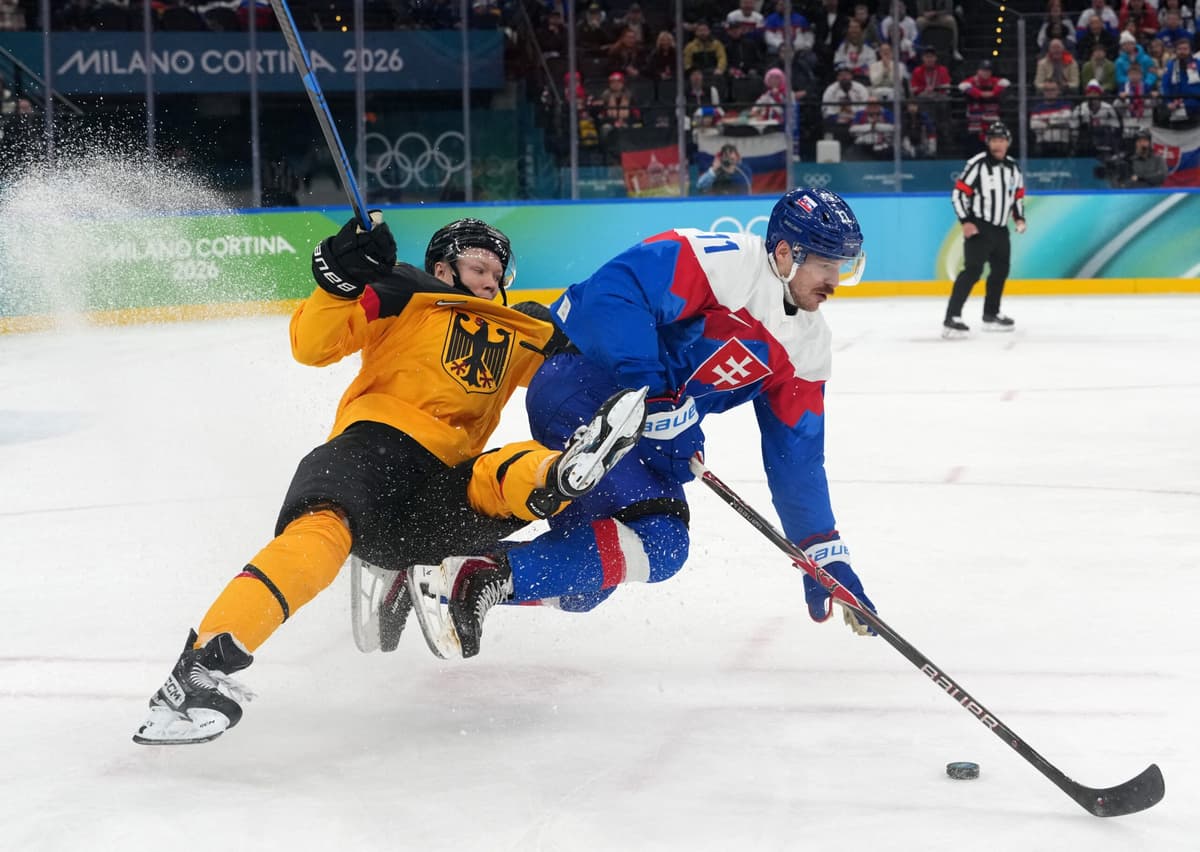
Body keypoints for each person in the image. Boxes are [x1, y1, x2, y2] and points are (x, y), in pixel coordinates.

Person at [132, 215, 647, 743]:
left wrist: (659, 396)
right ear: (443, 268)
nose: (493, 281)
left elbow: (587, 377)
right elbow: (313, 345)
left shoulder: (527, 328)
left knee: (505, 470)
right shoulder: (405, 289)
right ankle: (199, 667)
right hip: (372, 450)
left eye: (500, 272)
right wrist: (339, 282)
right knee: (319, 537)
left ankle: (564, 473)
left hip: (439, 501)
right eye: (479, 267)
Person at [405, 188, 878, 660]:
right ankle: (471, 574)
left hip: (637, 427)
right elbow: (614, 293)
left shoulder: (808, 348)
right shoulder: (724, 262)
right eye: (826, 264)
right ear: (785, 253)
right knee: (661, 541)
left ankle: (436, 565)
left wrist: (822, 549)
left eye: (845, 266)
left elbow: (796, 458)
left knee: (589, 581)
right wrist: (657, 395)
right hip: (586, 382)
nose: (835, 279)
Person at [943, 122, 1027, 339]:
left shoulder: (1013, 167)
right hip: (980, 226)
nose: (998, 144)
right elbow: (959, 194)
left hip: (1001, 229)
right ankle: (952, 318)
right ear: (988, 143)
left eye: (1001, 140)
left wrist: (1019, 219)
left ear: (1008, 142)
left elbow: (1017, 196)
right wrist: (966, 221)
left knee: (1000, 271)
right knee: (972, 271)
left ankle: (991, 314)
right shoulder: (977, 164)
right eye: (994, 140)